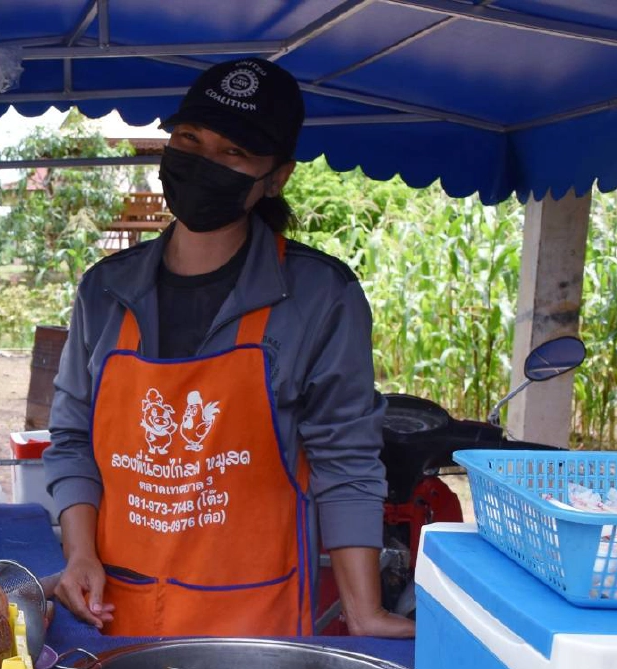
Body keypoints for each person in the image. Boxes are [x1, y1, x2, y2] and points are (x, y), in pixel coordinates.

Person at [44, 57, 413, 639]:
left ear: (276, 176)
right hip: (114, 614)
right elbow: (71, 441)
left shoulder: (319, 297)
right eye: (190, 139)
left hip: (255, 627)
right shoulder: (105, 291)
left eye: (233, 153)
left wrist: (364, 611)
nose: (203, 163)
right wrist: (80, 554)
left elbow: (346, 462)